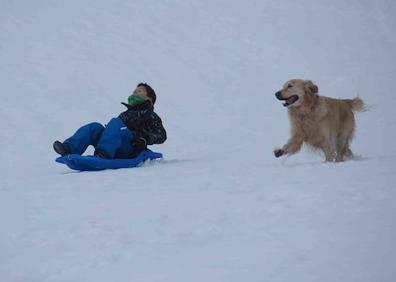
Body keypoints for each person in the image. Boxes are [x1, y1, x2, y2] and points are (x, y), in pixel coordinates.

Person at [53, 83, 167, 159]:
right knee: (95, 127)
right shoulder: (125, 114)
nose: (135, 93)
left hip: (131, 147)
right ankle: (69, 148)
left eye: (139, 91)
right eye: (134, 91)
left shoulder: (151, 116)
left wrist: (144, 138)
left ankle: (103, 154)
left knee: (116, 123)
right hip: (115, 145)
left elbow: (162, 135)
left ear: (149, 98)